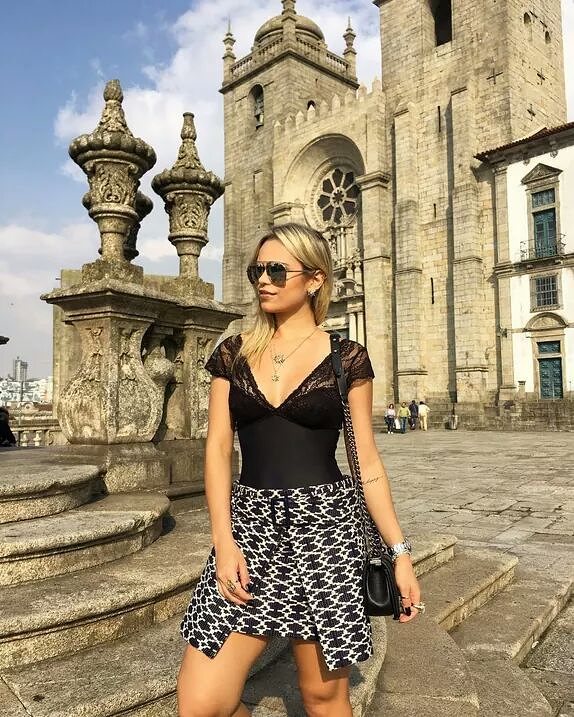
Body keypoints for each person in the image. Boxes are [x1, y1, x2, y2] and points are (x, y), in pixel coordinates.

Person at [177, 223, 422, 717]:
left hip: (326, 531)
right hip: (250, 528)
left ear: (314, 279)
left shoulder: (346, 358)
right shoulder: (232, 353)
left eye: (276, 270)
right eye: (257, 272)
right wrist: (223, 541)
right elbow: (218, 449)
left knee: (322, 696)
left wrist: (399, 553)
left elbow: (367, 462)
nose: (263, 281)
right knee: (201, 703)